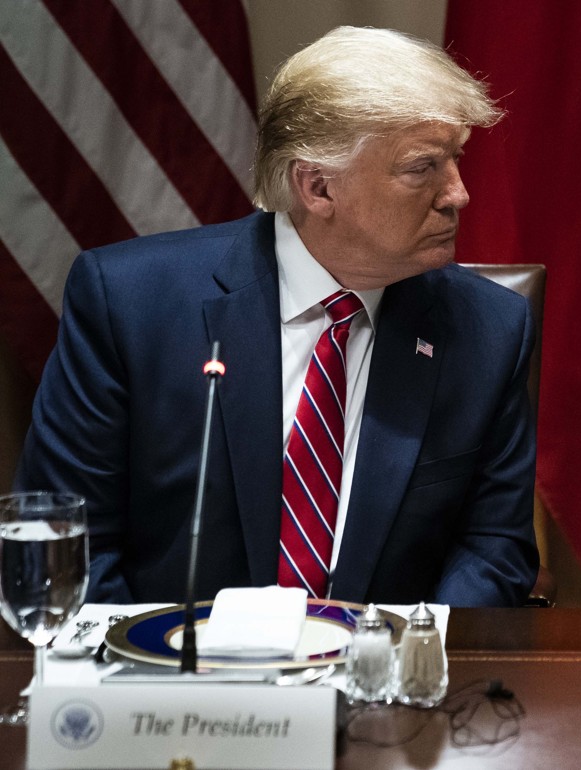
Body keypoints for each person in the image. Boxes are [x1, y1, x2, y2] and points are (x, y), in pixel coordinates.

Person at [15, 27, 539, 607]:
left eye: (455, 160)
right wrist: (155, 670)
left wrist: (399, 665)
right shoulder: (130, 305)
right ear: (317, 186)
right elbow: (68, 545)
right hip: (172, 676)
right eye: (423, 167)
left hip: (384, 685)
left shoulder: (489, 331)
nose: (458, 193)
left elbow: (493, 550)